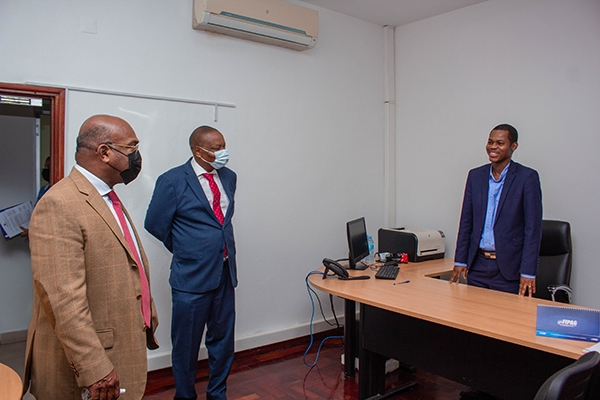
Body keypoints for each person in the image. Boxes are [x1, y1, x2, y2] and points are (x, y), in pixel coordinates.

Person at [23, 114, 159, 400]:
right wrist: (96, 368)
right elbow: (63, 299)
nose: (137, 156)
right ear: (105, 153)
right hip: (89, 365)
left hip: (118, 345)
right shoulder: (60, 204)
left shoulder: (105, 197)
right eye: (132, 148)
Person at [145, 125, 237, 400]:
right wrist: (186, 248)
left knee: (222, 343)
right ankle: (185, 396)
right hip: (191, 278)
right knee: (186, 346)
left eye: (224, 145)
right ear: (198, 150)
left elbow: (221, 221)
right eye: (217, 148)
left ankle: (217, 394)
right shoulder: (172, 180)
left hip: (224, 271)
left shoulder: (229, 177)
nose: (223, 152)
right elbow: (154, 223)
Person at [450, 124, 542, 297]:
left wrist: (528, 272)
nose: (493, 147)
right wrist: (460, 259)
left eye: (500, 143)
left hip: (509, 268)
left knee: (504, 320)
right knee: (473, 316)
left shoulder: (527, 178)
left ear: (513, 146)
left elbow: (533, 229)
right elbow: (466, 222)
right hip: (477, 265)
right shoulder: (475, 176)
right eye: (490, 142)